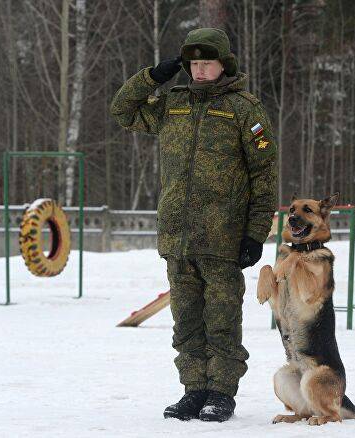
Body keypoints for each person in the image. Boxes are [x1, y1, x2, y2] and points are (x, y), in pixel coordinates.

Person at [109, 28, 278, 422]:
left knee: (221, 320)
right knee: (186, 322)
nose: (200, 71)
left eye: (208, 63)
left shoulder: (244, 109)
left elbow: (264, 176)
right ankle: (194, 389)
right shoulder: (172, 103)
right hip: (177, 236)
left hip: (224, 237)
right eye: (194, 64)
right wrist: (152, 76)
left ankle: (221, 393)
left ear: (224, 64)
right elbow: (122, 110)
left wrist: (255, 233)